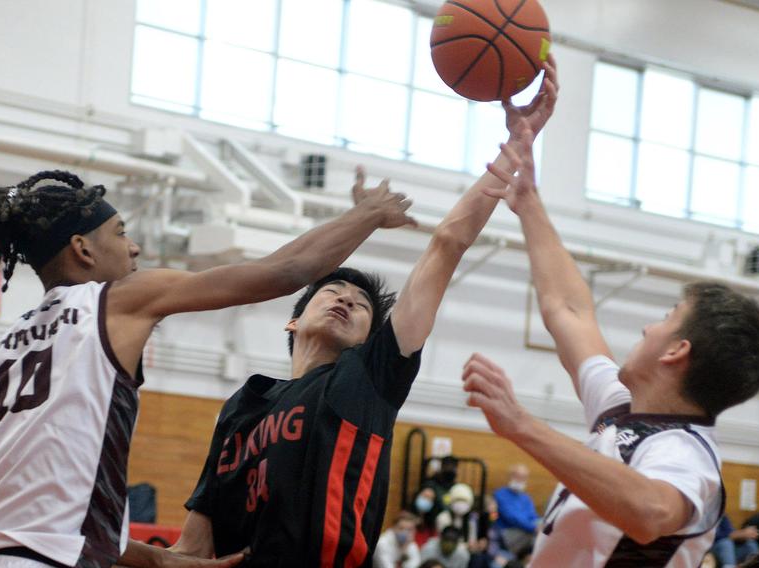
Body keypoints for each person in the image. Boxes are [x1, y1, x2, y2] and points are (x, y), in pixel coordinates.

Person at [171, 63, 560, 567]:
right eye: (332, 290)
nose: (347, 300)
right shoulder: (242, 407)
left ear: (368, 341)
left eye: (361, 306)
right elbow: (191, 549)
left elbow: (447, 244)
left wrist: (516, 147)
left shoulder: (369, 375)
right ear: (292, 321)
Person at [0, 168, 414, 568]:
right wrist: (368, 214)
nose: (134, 250)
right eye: (122, 233)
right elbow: (287, 271)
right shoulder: (114, 301)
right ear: (83, 250)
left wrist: (161, 559)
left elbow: (34, 511)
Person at [461, 54, 759, 567]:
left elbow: (651, 510)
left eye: (666, 316)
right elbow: (568, 309)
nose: (646, 324)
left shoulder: (685, 453)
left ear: (678, 351)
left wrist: (520, 423)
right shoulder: (622, 409)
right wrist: (527, 196)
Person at [491, 464, 539, 557]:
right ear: (511, 476)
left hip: (525, 532)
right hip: (507, 533)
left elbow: (533, 516)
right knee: (538, 535)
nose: (520, 480)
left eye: (523, 478)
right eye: (518, 476)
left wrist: (540, 524)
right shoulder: (500, 494)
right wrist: (533, 528)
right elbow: (512, 518)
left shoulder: (526, 498)